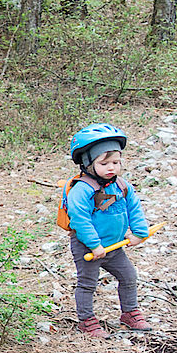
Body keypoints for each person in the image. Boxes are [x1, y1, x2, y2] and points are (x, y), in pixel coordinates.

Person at [64, 124, 151, 339]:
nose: (111, 168)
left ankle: (130, 313)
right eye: (104, 163)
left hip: (115, 246)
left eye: (116, 162)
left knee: (129, 276)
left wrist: (139, 233)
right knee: (87, 283)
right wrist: (94, 244)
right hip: (89, 247)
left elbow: (134, 207)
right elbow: (80, 219)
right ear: (87, 163)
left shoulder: (120, 185)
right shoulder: (82, 190)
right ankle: (86, 320)